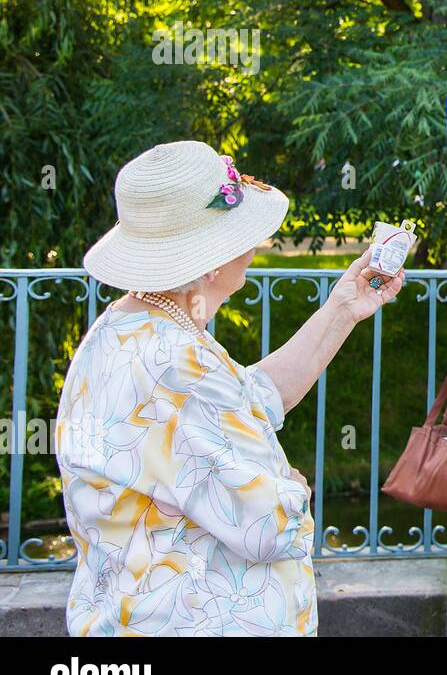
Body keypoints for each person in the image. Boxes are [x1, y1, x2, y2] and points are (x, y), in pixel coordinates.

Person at [54, 140, 404, 636]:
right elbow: (269, 525)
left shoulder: (137, 327)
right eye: (245, 234)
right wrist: (293, 491)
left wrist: (343, 306)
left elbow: (255, 397)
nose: (256, 245)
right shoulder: (172, 366)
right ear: (211, 261)